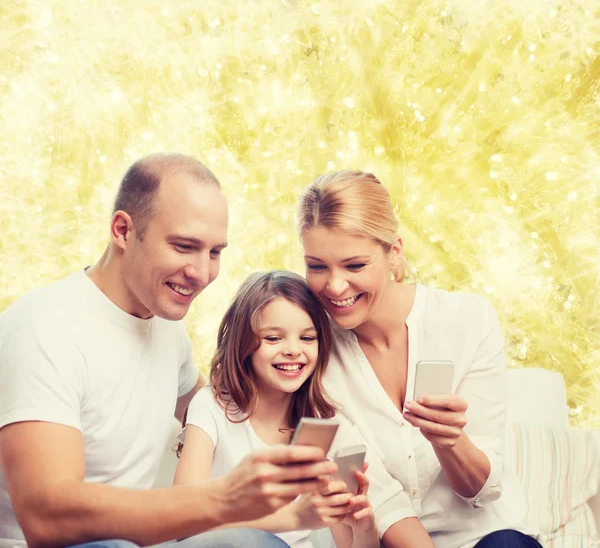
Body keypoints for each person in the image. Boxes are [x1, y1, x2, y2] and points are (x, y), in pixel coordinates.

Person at [0, 153, 337, 548]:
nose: (201, 273)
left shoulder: (165, 327)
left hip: (137, 545)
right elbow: (46, 516)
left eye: (214, 253)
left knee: (255, 542)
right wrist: (226, 498)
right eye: (183, 246)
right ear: (124, 230)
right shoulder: (43, 327)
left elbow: (215, 404)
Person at [296, 169, 543, 548]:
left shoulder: (468, 320)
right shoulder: (312, 354)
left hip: (485, 538)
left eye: (354, 265)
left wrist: (449, 442)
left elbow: (483, 490)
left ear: (394, 252)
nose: (335, 286)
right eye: (317, 266)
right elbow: (375, 496)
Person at [175, 270, 431, 548]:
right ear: (243, 342)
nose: (293, 350)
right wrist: (291, 517)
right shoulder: (212, 405)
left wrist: (363, 528)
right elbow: (183, 522)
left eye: (307, 338)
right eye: (274, 338)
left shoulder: (326, 425)